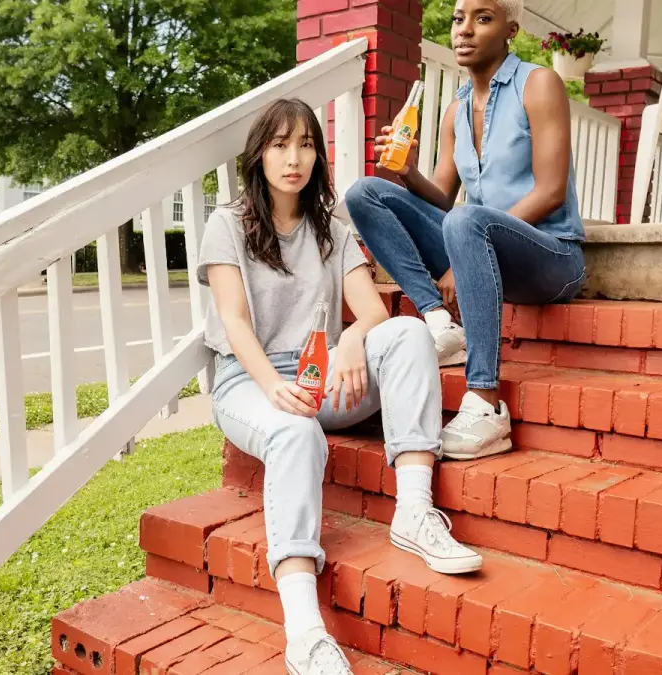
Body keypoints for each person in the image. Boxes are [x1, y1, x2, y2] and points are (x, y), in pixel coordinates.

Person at [198, 98, 482, 675]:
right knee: (296, 436)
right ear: (258, 155)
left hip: (320, 373)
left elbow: (373, 313)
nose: (293, 158)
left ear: (318, 157)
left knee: (407, 332)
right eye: (279, 145)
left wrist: (350, 342)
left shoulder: (331, 229)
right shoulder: (226, 224)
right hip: (248, 380)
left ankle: (414, 512)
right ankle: (304, 632)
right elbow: (233, 321)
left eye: (305, 144)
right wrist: (272, 387)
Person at [344, 0, 587, 460]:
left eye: (483, 18)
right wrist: (410, 172)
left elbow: (552, 190)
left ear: (510, 29)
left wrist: (465, 246)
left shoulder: (538, 84)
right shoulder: (455, 110)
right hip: (478, 246)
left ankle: (487, 403)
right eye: (459, 19)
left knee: (465, 219)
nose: (466, 30)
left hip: (552, 257)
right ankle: (440, 322)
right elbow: (441, 194)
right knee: (365, 193)